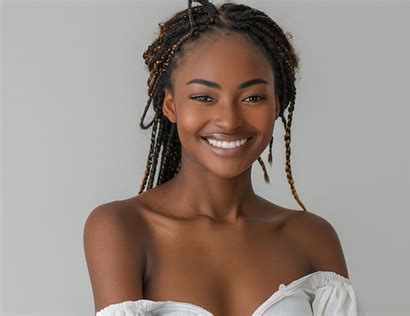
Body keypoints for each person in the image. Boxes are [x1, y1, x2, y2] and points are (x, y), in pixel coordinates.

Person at [83, 0, 365, 315]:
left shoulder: (311, 237)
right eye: (204, 97)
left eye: (252, 97)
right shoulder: (124, 228)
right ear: (171, 105)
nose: (229, 120)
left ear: (276, 105)